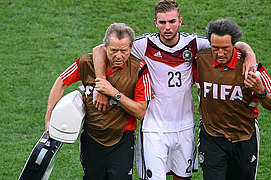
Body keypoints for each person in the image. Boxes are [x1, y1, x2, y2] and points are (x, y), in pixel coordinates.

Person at [92, 1, 256, 180]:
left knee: (183, 177)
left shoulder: (194, 43)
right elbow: (99, 49)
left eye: (172, 21)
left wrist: (250, 53)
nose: (167, 27)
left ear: (180, 21)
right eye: (162, 23)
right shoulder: (144, 44)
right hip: (154, 128)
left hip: (185, 127)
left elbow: (227, 44)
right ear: (155, 23)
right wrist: (101, 85)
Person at [44, 23, 152, 180]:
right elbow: (61, 82)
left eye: (124, 51)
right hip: (91, 139)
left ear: (131, 48)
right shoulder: (86, 63)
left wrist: (113, 93)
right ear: (105, 47)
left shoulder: (140, 69)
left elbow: (141, 112)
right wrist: (49, 118)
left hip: (122, 140)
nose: (119, 56)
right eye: (113, 50)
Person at [195, 18, 271, 180]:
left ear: (234, 45)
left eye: (225, 48)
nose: (220, 53)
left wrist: (260, 91)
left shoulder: (252, 67)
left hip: (244, 138)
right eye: (215, 48)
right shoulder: (199, 59)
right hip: (212, 137)